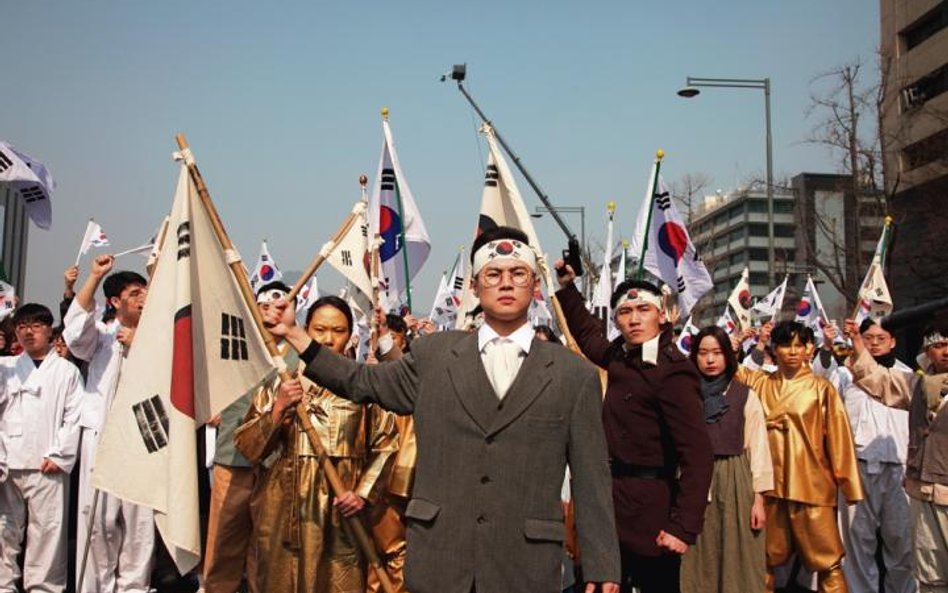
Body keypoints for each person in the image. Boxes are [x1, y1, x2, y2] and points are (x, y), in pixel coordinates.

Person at [264, 226, 621, 593]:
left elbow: (591, 477)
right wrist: (295, 334)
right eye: (493, 274)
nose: (506, 283)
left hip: (525, 566)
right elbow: (361, 382)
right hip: (441, 560)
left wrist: (602, 564)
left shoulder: (573, 374)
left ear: (535, 285)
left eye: (518, 274)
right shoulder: (433, 356)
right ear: (474, 286)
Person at [555, 269, 713, 593]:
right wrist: (568, 288)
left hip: (654, 512)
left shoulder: (674, 371)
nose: (634, 319)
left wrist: (682, 527)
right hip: (611, 505)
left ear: (661, 314)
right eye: (625, 312)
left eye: (643, 310)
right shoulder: (619, 356)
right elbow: (588, 336)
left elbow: (698, 456)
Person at [234, 291, 398, 593]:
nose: (328, 339)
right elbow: (247, 446)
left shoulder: (363, 386)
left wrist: (362, 493)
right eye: (319, 330)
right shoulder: (283, 381)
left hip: (341, 508)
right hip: (285, 504)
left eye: (338, 331)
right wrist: (278, 409)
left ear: (350, 336)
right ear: (305, 331)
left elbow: (387, 445)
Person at [734, 321, 863, 593]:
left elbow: (839, 439)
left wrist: (849, 483)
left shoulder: (821, 388)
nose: (792, 352)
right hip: (768, 486)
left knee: (827, 561)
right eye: (784, 345)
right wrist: (734, 342)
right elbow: (726, 367)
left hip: (811, 484)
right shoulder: (760, 382)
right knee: (764, 558)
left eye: (798, 345)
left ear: (809, 349)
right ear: (774, 349)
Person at [63, 255, 154, 593]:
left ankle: (135, 586)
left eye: (145, 291)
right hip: (101, 436)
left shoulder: (159, 336)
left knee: (138, 521)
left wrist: (140, 342)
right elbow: (74, 332)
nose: (142, 298)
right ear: (115, 302)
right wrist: (95, 276)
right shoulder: (101, 336)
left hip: (143, 437)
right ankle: (97, 588)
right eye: (134, 293)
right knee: (99, 518)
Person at [844, 318, 948, 593]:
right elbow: (879, 381)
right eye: (938, 345)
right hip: (922, 488)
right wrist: (856, 343)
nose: (945, 351)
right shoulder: (917, 385)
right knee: (929, 571)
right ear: (927, 352)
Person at [813, 320, 914, 593]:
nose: (874, 343)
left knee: (902, 544)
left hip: (899, 469)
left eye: (881, 337)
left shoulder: (907, 376)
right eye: (867, 337)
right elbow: (819, 380)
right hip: (856, 467)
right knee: (857, 544)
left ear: (893, 341)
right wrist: (827, 345)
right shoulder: (845, 375)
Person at [680, 326, 773, 593]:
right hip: (696, 479)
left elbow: (758, 446)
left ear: (728, 356)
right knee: (699, 555)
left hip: (736, 479)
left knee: (738, 556)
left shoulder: (745, 394)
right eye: (703, 353)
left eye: (717, 353)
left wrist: (758, 500)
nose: (710, 360)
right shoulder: (685, 395)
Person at [0, 304, 83, 593]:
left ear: (49, 330)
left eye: (35, 325)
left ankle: (44, 588)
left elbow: (74, 417)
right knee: (4, 531)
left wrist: (60, 455)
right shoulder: (6, 368)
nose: (28, 331)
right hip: (8, 462)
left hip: (46, 463)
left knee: (47, 532)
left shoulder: (66, 371)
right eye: (22, 326)